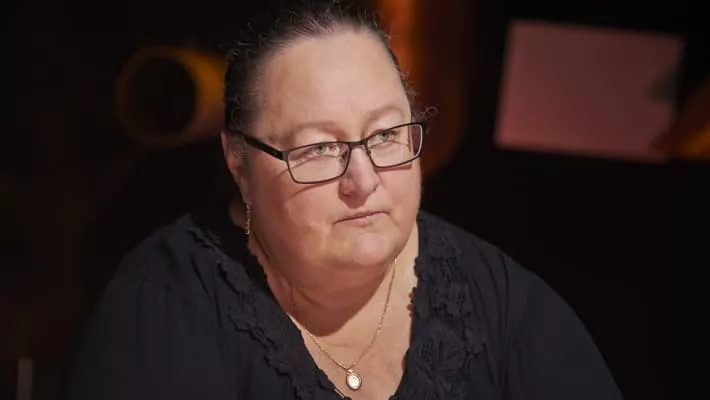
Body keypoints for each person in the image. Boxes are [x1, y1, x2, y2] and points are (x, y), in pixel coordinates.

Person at [64, 0, 624, 399]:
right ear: (238, 162)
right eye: (320, 149)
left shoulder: (498, 300)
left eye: (386, 136)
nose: (364, 179)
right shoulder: (166, 304)